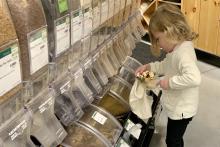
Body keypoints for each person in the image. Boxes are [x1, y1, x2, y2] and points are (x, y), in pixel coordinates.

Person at [135, 4, 201, 147]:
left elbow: (194, 78)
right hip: (178, 106)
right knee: (175, 138)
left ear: (170, 31)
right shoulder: (176, 49)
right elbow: (166, 65)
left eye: (158, 39)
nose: (158, 44)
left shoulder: (183, 54)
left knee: (173, 140)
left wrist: (168, 82)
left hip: (182, 110)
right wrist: (149, 67)